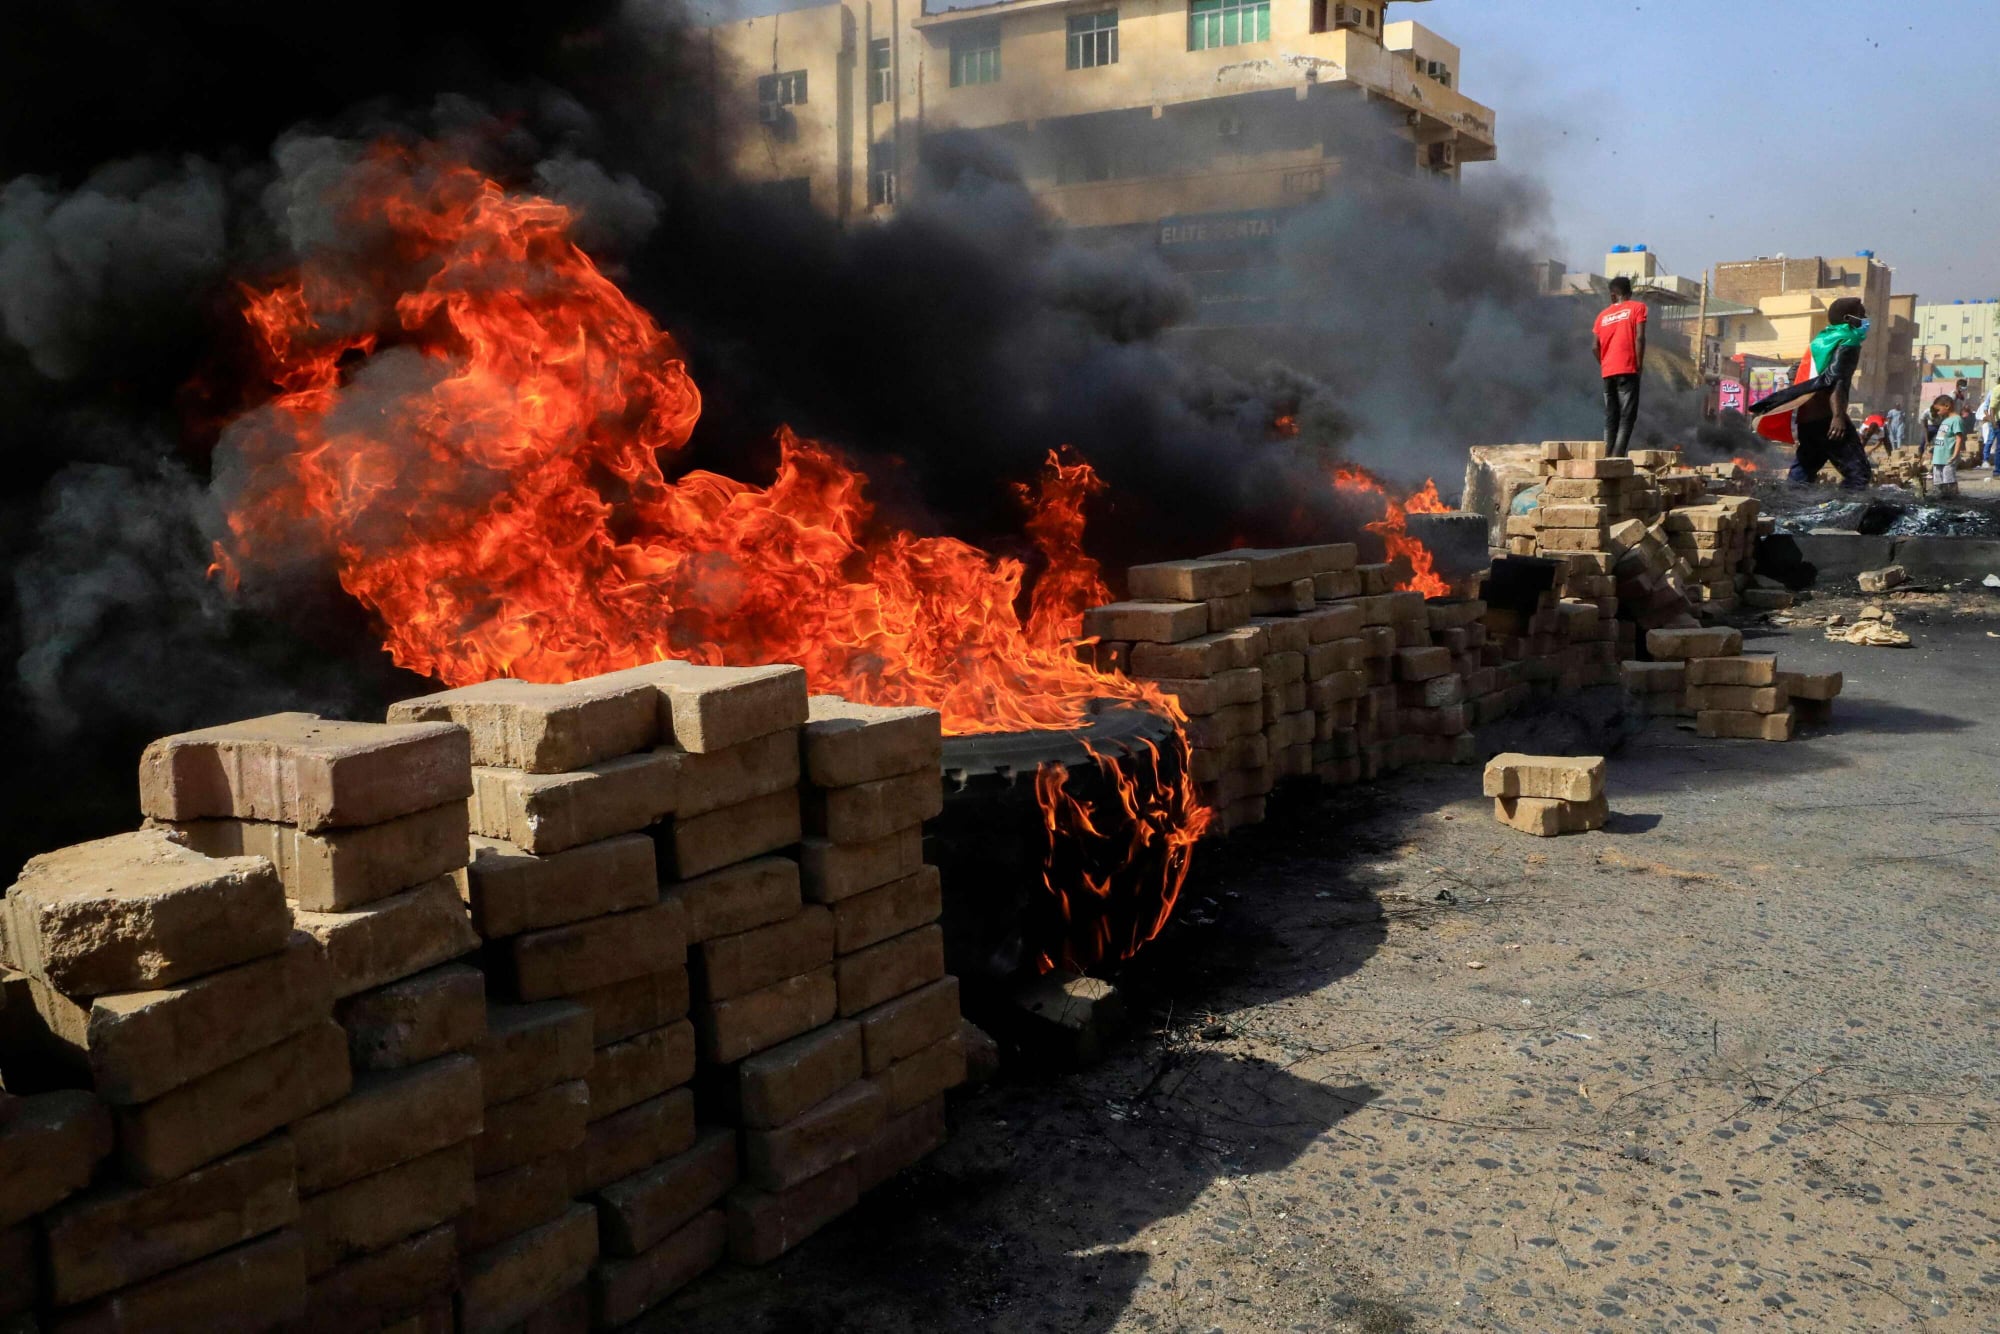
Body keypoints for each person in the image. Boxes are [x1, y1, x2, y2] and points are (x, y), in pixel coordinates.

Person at [1747, 296, 1872, 488]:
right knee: (1859, 474)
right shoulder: (1848, 339)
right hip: (1827, 419)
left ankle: (1788, 503)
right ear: (1848, 319)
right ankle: (1846, 507)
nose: (1864, 319)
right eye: (1861, 315)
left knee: (1803, 473)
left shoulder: (1821, 339)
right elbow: (1837, 380)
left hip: (1807, 420)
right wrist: (1838, 417)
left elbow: (1800, 373)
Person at [1592, 276, 1647, 457]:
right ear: (1629, 293)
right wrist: (1639, 365)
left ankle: (1607, 456)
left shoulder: (1601, 316)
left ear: (1612, 295)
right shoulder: (1637, 307)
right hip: (1627, 369)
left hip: (1608, 372)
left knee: (1611, 416)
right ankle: (1616, 458)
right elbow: (1640, 338)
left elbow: (1594, 347)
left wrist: (1605, 363)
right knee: (1627, 416)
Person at [1929, 394, 1964, 496]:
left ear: (1947, 406)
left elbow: (1959, 438)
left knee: (1949, 480)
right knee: (1938, 483)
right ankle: (1941, 499)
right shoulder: (1945, 420)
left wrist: (1954, 455)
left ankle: (1954, 499)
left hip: (1948, 457)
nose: (1937, 412)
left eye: (1938, 410)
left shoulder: (1956, 420)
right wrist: (1933, 451)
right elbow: (1942, 437)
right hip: (1938, 457)